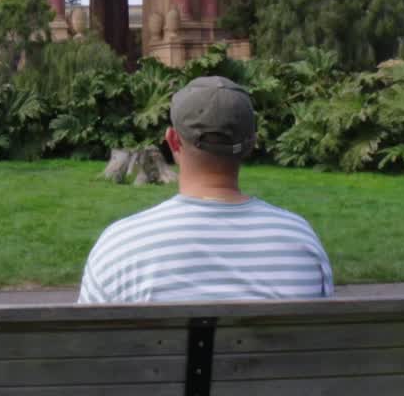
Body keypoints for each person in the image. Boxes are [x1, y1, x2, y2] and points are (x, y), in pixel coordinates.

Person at [78, 76, 333, 303]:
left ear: (173, 141)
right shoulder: (301, 242)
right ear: (250, 144)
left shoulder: (120, 245)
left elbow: (86, 349)